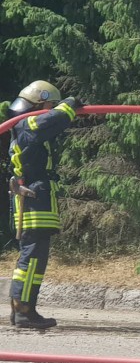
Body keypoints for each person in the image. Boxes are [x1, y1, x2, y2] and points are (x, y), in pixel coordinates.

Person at [6, 81, 81, 329]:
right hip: (33, 198)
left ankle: (23, 308)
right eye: (49, 104)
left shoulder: (21, 124)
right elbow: (53, 120)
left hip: (34, 196)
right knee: (33, 257)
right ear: (41, 103)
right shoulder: (27, 123)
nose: (50, 108)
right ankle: (24, 310)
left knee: (33, 257)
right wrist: (68, 105)